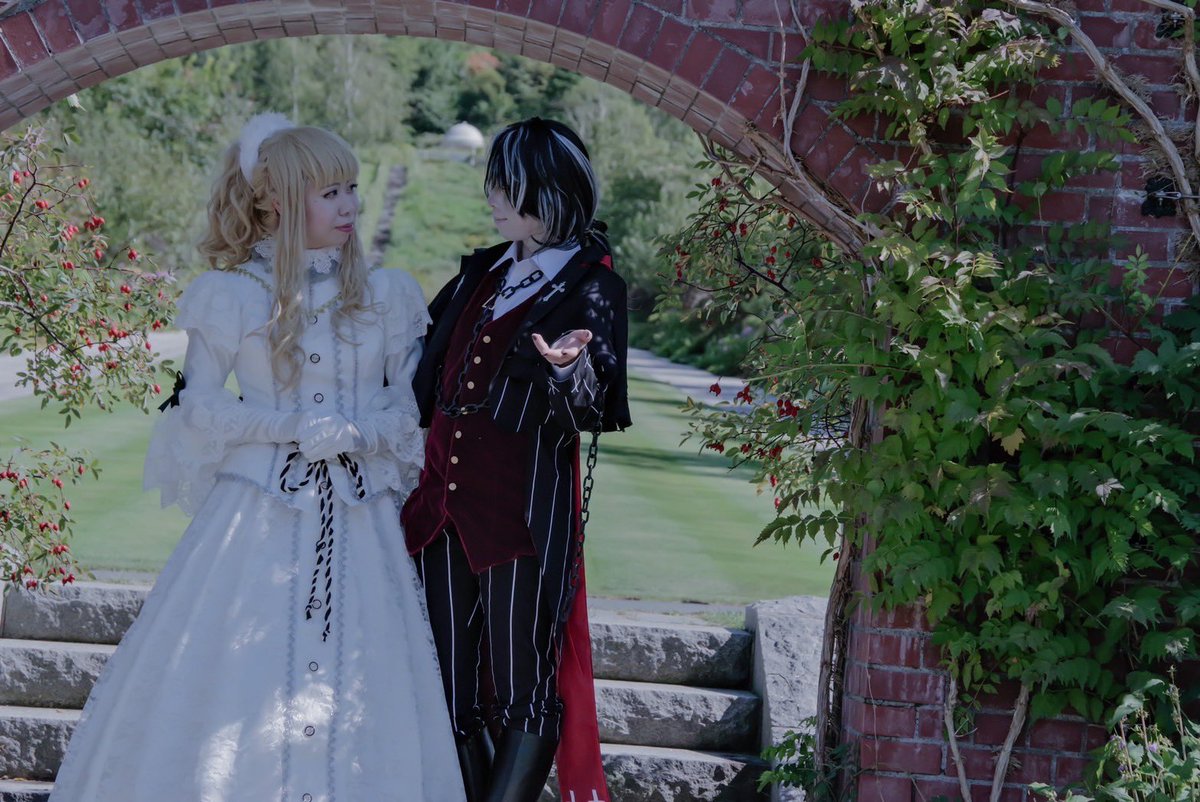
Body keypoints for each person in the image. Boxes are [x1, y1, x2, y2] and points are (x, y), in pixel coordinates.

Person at [49, 115, 465, 802]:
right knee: (236, 676)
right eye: (329, 192)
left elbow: (407, 410)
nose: (349, 206)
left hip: (361, 525)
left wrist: (356, 434)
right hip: (252, 519)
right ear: (277, 199)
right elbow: (200, 406)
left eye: (351, 188)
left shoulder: (386, 294)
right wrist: (290, 425)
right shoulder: (232, 294)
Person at [401, 117, 631, 802]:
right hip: (439, 512)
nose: (493, 199)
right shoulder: (484, 271)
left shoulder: (592, 286)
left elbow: (594, 400)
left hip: (519, 518)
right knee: (447, 685)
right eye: (493, 184)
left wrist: (566, 369)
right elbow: (420, 360)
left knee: (524, 687)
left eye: (509, 187)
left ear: (552, 193)